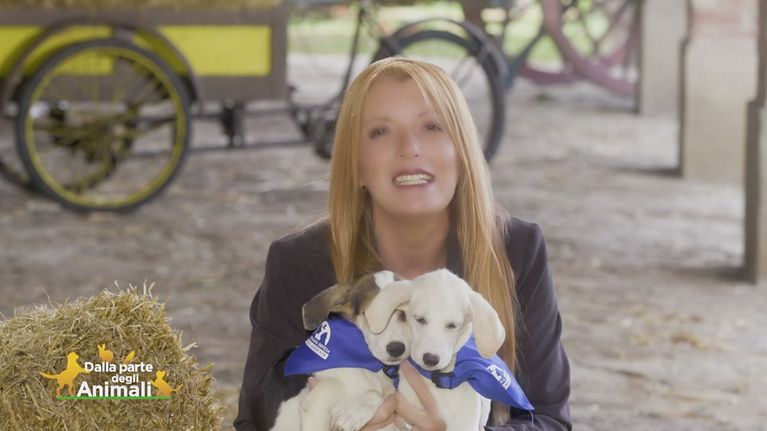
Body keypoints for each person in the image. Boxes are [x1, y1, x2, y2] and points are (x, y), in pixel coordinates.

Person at [234, 57, 571, 431]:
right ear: (355, 164)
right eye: (380, 131)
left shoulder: (517, 250)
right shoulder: (298, 262)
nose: (409, 147)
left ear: (462, 151)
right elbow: (254, 422)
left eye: (432, 127)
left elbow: (550, 420)